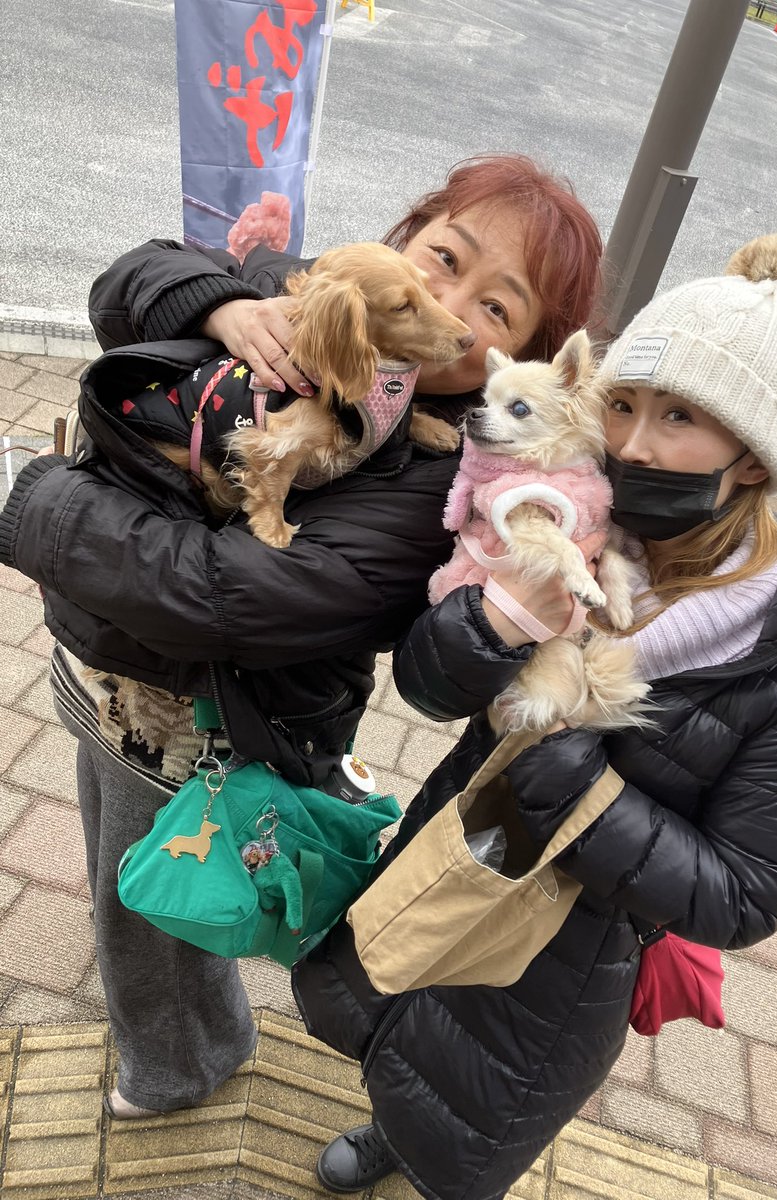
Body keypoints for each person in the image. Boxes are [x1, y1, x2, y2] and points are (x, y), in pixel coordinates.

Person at [290, 233, 777, 1200]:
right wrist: (489, 626)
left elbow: (746, 896)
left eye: (682, 417)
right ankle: (388, 1130)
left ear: (749, 458)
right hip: (462, 847)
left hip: (562, 972)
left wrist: (578, 785)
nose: (634, 443)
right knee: (402, 1021)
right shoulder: (568, 524)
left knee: (471, 1112)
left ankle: (425, 1157)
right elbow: (427, 685)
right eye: (623, 405)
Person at [0, 154, 603, 1119]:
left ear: (523, 354)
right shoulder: (332, 297)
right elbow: (123, 289)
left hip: (202, 712)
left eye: (499, 309)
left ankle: (182, 1063)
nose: (447, 305)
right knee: (116, 848)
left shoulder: (433, 482)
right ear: (406, 239)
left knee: (148, 897)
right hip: (109, 666)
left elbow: (223, 597)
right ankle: (179, 1010)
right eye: (445, 255)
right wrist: (215, 306)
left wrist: (29, 498)